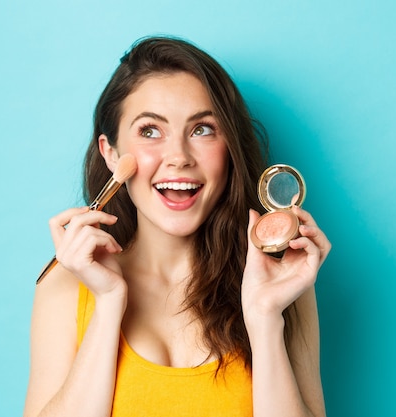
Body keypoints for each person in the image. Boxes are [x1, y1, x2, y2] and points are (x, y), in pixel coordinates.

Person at [23, 36, 331, 417]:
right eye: (150, 130)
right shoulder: (66, 285)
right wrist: (108, 304)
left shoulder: (284, 283)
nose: (179, 158)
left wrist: (265, 317)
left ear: (229, 148)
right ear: (111, 153)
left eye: (202, 129)